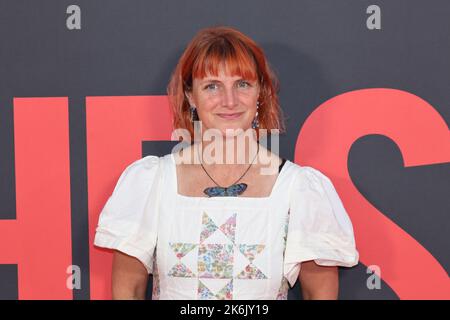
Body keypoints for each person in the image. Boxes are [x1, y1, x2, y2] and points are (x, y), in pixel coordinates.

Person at [93, 26, 359, 300]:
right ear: (190, 96)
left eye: (242, 84)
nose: (229, 101)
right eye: (212, 86)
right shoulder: (152, 182)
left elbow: (321, 295)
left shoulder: (299, 189)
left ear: (260, 93)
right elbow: (128, 290)